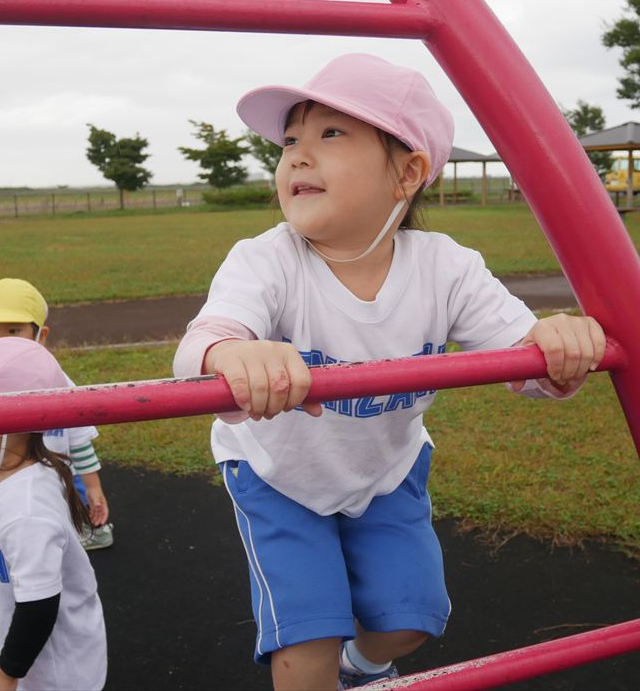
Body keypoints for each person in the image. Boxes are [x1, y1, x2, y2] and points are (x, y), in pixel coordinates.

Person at [172, 53, 606, 690]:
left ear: (407, 173)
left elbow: (529, 358)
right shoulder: (266, 261)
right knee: (304, 645)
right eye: (290, 140)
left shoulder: (446, 268)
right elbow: (200, 348)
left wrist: (557, 346)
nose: (296, 155)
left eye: (330, 135)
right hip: (278, 474)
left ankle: (362, 668)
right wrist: (232, 353)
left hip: (387, 470)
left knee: (412, 621)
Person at [0, 278, 113, 691]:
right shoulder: (10, 477)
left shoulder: (28, 507)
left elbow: (38, 609)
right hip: (32, 660)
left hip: (53, 673)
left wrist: (6, 677)